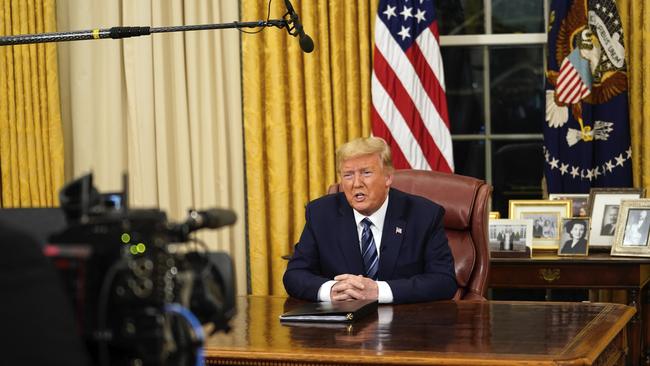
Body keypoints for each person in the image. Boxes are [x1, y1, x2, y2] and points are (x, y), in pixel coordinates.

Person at [283, 137, 457, 304]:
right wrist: (331, 290)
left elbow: (444, 281)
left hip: (404, 326)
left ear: (388, 177)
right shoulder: (321, 214)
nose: (356, 183)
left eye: (366, 173)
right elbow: (295, 275)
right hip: (341, 328)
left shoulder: (423, 215)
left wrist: (379, 291)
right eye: (348, 175)